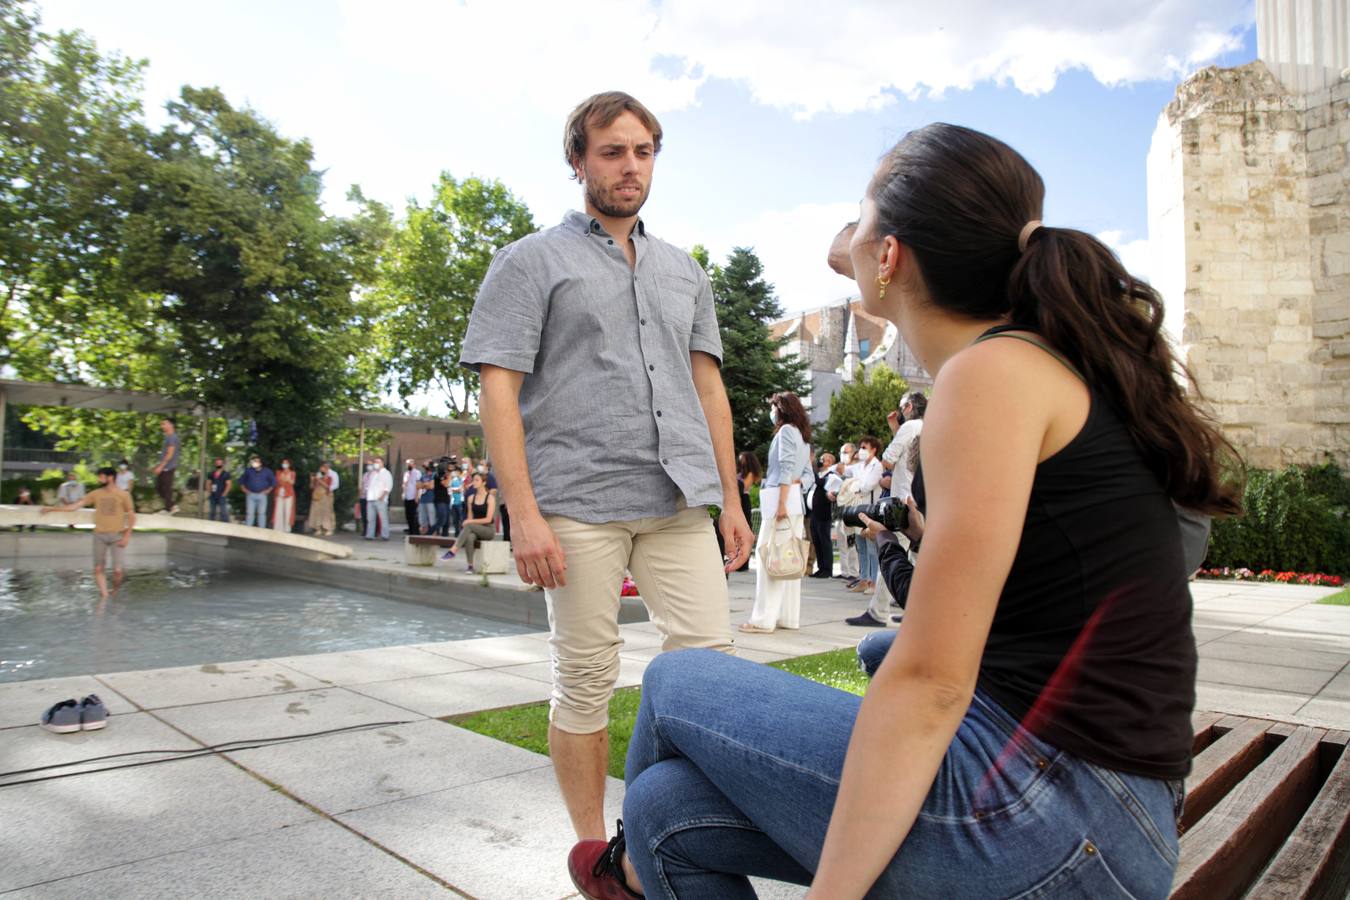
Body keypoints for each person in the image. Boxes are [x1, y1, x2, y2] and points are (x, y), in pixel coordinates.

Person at [602, 123, 1241, 899]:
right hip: (1090, 804)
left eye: (864, 217)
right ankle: (634, 862)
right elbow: (858, 248)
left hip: (1053, 818)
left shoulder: (990, 377)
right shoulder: (1054, 363)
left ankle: (621, 874)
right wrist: (867, 236)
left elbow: (931, 682)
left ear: (893, 256)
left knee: (675, 679)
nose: (849, 241)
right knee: (664, 809)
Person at [461, 90, 754, 878]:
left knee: (710, 676)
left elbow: (710, 389)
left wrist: (730, 497)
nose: (631, 166)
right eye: (613, 151)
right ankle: (594, 853)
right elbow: (499, 388)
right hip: (578, 503)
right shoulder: (529, 262)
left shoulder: (684, 271)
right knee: (585, 678)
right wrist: (522, 515)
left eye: (644, 151)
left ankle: (674, 831)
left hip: (677, 502)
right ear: (578, 161)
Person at [741, 391, 813, 633]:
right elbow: (807, 476)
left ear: (781, 410)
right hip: (795, 504)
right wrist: (793, 488)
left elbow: (784, 468)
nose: (772, 413)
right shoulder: (804, 437)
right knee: (789, 557)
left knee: (769, 558)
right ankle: (787, 617)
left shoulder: (785, 432)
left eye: (773, 408)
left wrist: (781, 502)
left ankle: (763, 619)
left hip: (779, 503)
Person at [42, 466, 135, 600]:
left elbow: (131, 515)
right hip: (99, 535)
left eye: (101, 476)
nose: (99, 479)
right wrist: (51, 509)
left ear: (110, 477)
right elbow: (74, 506)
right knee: (98, 569)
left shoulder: (124, 494)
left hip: (117, 535)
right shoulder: (95, 493)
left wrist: (127, 535)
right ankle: (105, 597)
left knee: (118, 571)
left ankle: (114, 591)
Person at [847, 435, 885, 595]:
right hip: (857, 508)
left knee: (871, 548)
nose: (861, 451)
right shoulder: (860, 465)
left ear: (873, 449)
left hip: (870, 509)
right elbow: (846, 471)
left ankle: (874, 583)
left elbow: (867, 486)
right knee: (860, 546)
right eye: (860, 447)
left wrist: (855, 486)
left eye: (864, 448)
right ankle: (863, 579)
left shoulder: (877, 466)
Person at [442, 471, 496, 571]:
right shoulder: (471, 498)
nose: (474, 482)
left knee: (469, 525)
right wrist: (469, 522)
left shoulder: (490, 498)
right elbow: (470, 518)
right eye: (473, 480)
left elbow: (488, 519)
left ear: (484, 483)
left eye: (477, 480)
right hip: (475, 529)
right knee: (470, 537)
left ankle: (453, 550)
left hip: (488, 530)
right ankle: (470, 566)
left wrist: (469, 523)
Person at [809, 451, 841, 578]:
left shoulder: (831, 475)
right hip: (814, 512)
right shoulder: (819, 473)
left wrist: (813, 469)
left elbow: (822, 484)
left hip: (824, 513)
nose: (822, 461)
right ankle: (820, 567)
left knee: (824, 540)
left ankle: (827, 569)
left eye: (826, 460)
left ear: (831, 463)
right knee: (816, 540)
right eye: (822, 459)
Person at [834, 442, 860, 581]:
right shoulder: (837, 470)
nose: (843, 455)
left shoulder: (856, 469)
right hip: (839, 512)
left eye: (846, 452)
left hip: (851, 510)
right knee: (842, 543)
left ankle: (854, 571)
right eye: (842, 452)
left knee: (852, 543)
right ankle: (844, 571)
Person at [151, 417, 180, 514]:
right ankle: (171, 506)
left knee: (166, 488)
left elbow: (170, 454)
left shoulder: (172, 437)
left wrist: (161, 466)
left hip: (168, 467)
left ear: (171, 425)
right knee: (159, 488)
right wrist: (158, 466)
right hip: (165, 466)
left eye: (164, 424)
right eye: (162, 424)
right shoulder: (168, 437)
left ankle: (170, 507)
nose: (162, 426)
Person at [239, 455, 275, 528]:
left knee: (261, 513)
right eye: (253, 461)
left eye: (256, 461)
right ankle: (248, 529)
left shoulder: (267, 471)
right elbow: (241, 480)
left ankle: (261, 530)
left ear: (260, 463)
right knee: (250, 513)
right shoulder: (248, 471)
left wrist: (268, 490)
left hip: (262, 495)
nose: (254, 463)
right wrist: (244, 489)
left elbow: (273, 482)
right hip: (250, 494)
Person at [364, 457, 392, 540]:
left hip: (380, 499)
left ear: (382, 463)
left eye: (378, 462)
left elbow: (388, 486)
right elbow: (369, 485)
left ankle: (385, 535)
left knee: (383, 518)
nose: (376, 464)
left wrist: (382, 496)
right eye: (375, 462)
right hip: (371, 499)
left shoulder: (386, 473)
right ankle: (370, 535)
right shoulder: (373, 473)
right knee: (370, 518)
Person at [309, 463, 336, 535]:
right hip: (317, 496)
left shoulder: (330, 477)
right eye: (321, 468)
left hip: (325, 496)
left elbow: (328, 486)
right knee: (317, 512)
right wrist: (312, 480)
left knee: (326, 513)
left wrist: (319, 480)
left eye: (324, 468)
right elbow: (311, 487)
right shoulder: (317, 477)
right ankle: (318, 528)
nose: (322, 470)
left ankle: (328, 529)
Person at [271, 459, 296, 533]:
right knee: (279, 510)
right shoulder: (278, 472)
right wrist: (285, 479)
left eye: (286, 463)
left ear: (289, 464)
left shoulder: (292, 473)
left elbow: (292, 482)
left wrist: (286, 479)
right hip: (280, 493)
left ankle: (287, 528)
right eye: (283, 463)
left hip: (289, 493)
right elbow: (277, 481)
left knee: (288, 511)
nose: (284, 464)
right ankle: (278, 528)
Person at [207, 458, 232, 523]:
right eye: (217, 463)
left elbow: (229, 485)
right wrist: (209, 492)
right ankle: (210, 525)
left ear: (223, 464)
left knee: (224, 512)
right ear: (215, 464)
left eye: (220, 463)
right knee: (212, 512)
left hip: (222, 495)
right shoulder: (211, 474)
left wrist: (224, 494)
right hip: (213, 495)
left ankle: (226, 526)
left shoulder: (226, 474)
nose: (218, 464)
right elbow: (208, 483)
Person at [402, 459, 422, 535]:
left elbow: (418, 485)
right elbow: (404, 484)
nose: (408, 466)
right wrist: (403, 493)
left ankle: (415, 532)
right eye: (407, 464)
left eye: (409, 464)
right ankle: (410, 531)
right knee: (408, 515)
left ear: (413, 464)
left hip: (414, 497)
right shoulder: (406, 473)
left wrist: (417, 496)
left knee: (414, 515)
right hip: (407, 496)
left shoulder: (417, 473)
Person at [449, 465, 466, 536]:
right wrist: (456, 490)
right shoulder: (453, 480)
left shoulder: (462, 480)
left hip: (460, 502)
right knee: (455, 519)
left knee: (461, 519)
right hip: (453, 503)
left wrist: (454, 490)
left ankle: (462, 533)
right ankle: (456, 533)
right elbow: (449, 490)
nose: (455, 473)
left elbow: (461, 489)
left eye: (457, 472)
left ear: (460, 472)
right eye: (455, 471)